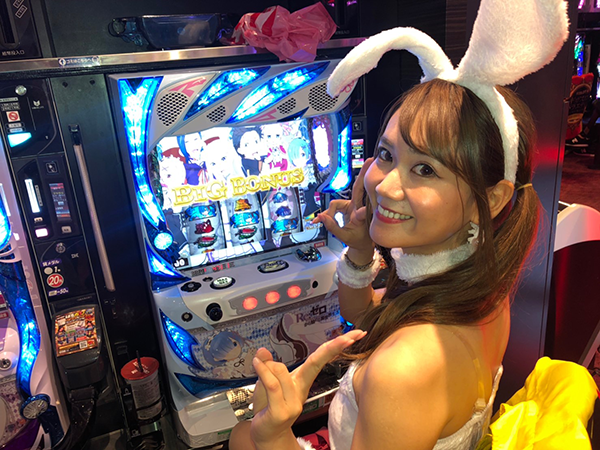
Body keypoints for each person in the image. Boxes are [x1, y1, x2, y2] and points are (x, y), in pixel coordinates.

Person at [228, 1, 568, 449]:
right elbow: (368, 315)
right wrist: (359, 253)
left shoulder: (402, 370)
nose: (384, 185)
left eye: (425, 169)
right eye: (387, 155)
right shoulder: (474, 286)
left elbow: (398, 354)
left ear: (491, 199)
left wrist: (272, 433)